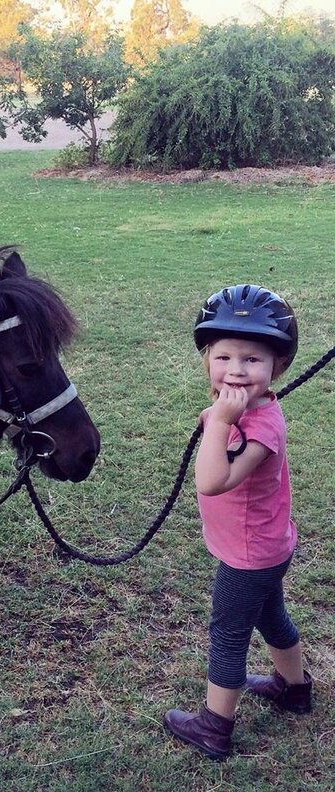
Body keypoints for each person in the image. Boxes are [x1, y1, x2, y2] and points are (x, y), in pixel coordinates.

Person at [163, 284, 312, 761]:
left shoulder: (260, 426)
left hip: (248, 555)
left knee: (227, 635)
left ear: (278, 367)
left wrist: (222, 420)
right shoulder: (253, 409)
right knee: (271, 617)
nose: (236, 369)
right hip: (269, 546)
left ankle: (214, 727)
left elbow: (211, 480)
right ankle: (293, 688)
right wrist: (224, 416)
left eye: (252, 360)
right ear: (207, 359)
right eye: (224, 356)